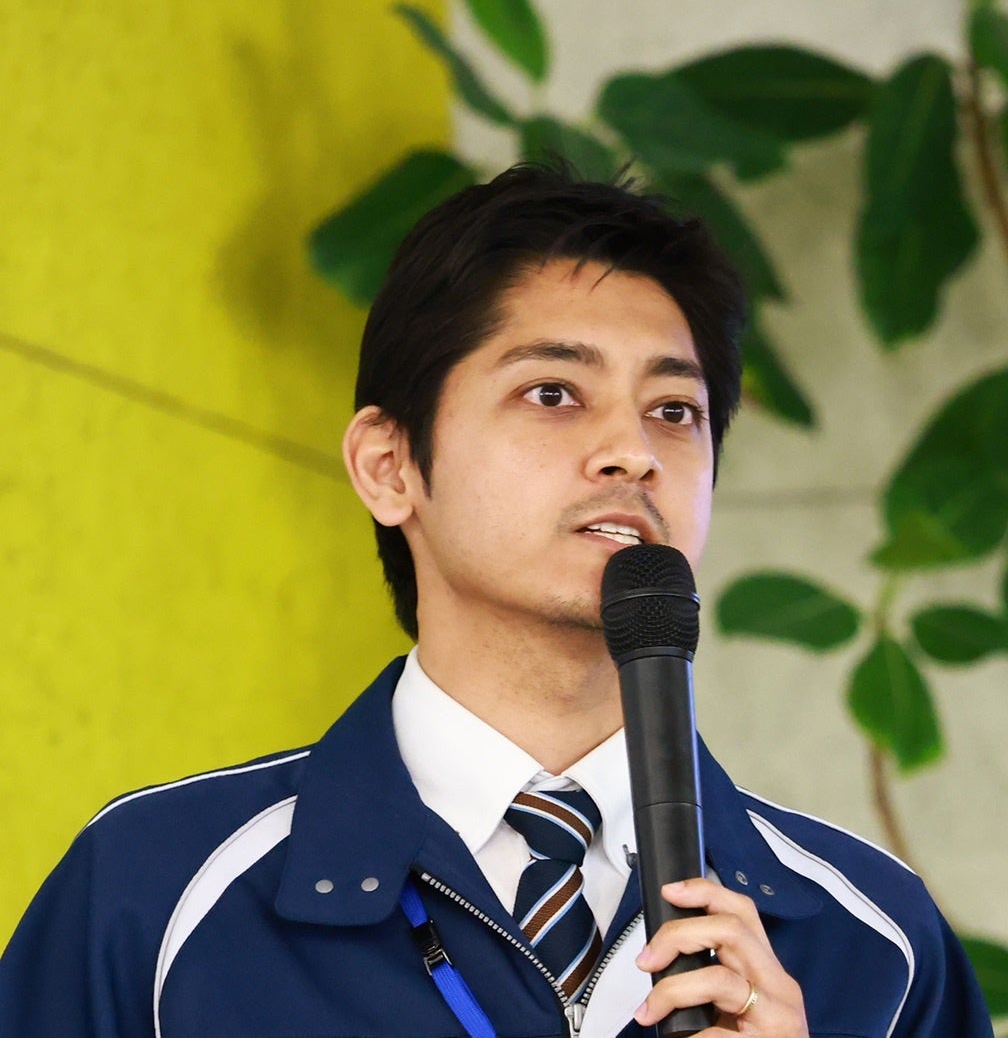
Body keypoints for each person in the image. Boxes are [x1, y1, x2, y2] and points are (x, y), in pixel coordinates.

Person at [0, 164, 992, 1038]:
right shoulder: (152, 894)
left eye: (675, 410)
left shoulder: (876, 941)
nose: (632, 451)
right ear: (390, 465)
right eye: (554, 393)